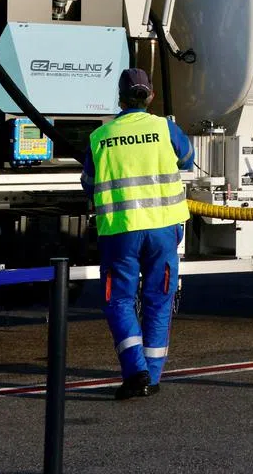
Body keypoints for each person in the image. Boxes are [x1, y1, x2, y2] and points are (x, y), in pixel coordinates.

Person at [81, 69, 195, 400]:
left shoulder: (101, 136)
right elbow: (188, 160)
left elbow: (88, 183)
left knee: (119, 300)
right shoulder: (163, 128)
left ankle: (136, 371)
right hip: (163, 230)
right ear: (150, 97)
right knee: (159, 299)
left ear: (118, 97)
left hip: (121, 232)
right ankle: (153, 375)